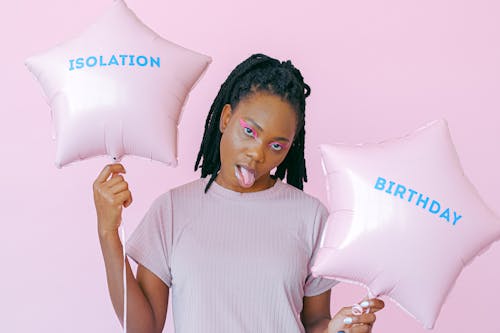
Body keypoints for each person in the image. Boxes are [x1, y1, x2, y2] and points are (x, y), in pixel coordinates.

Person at [94, 53, 385, 333]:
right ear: (226, 118)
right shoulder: (172, 210)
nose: (257, 154)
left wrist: (338, 330)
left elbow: (316, 322)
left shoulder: (312, 217)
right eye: (250, 131)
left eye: (276, 146)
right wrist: (109, 234)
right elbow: (142, 329)